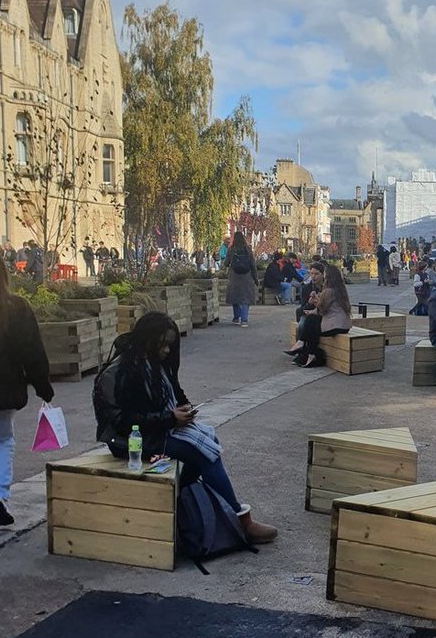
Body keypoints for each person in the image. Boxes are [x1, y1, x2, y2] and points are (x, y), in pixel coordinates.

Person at [94, 312, 275, 543]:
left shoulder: (154, 363)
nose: (168, 351)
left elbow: (175, 392)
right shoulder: (120, 372)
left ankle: (183, 499)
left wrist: (184, 407)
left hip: (154, 430)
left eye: (170, 345)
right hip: (128, 441)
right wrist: (169, 418)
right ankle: (238, 518)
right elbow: (121, 421)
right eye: (164, 345)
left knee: (209, 443)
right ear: (149, 341)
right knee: (200, 452)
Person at [0, 247, 54, 532]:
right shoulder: (16, 308)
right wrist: (43, 386)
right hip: (3, 390)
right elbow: (31, 351)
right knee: (2, 441)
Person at [290, 262, 352, 368]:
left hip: (335, 326)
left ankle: (306, 349)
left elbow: (322, 310)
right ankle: (308, 352)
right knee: (311, 322)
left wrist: (314, 302)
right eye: (311, 273)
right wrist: (314, 306)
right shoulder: (341, 290)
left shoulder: (328, 291)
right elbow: (327, 307)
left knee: (310, 322)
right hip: (345, 325)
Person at [224, 232, 258, 326]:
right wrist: (255, 278)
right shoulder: (248, 249)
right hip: (247, 276)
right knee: (245, 299)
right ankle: (244, 320)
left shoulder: (231, 249)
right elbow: (253, 264)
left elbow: (226, 263)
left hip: (234, 276)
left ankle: (236, 318)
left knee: (235, 297)